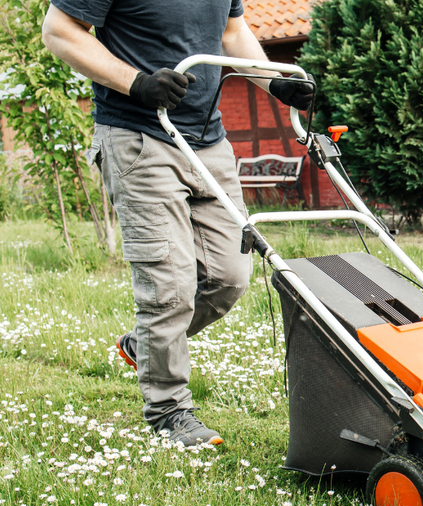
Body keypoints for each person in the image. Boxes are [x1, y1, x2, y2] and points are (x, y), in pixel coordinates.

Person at [41, 1, 312, 447]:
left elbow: (232, 34)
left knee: (229, 276)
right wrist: (136, 83)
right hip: (139, 136)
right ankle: (169, 412)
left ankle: (143, 346)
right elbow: (60, 30)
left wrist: (274, 83)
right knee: (169, 287)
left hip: (208, 140)